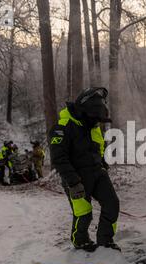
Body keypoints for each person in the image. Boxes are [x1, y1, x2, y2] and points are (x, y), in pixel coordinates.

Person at [49, 87, 120, 252]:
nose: (97, 123)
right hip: (76, 177)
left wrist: (102, 164)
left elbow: (98, 148)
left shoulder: (92, 125)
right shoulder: (63, 127)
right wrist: (73, 183)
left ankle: (105, 241)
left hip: (97, 173)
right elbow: (59, 159)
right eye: (95, 119)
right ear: (85, 111)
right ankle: (80, 240)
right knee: (84, 212)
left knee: (112, 204)